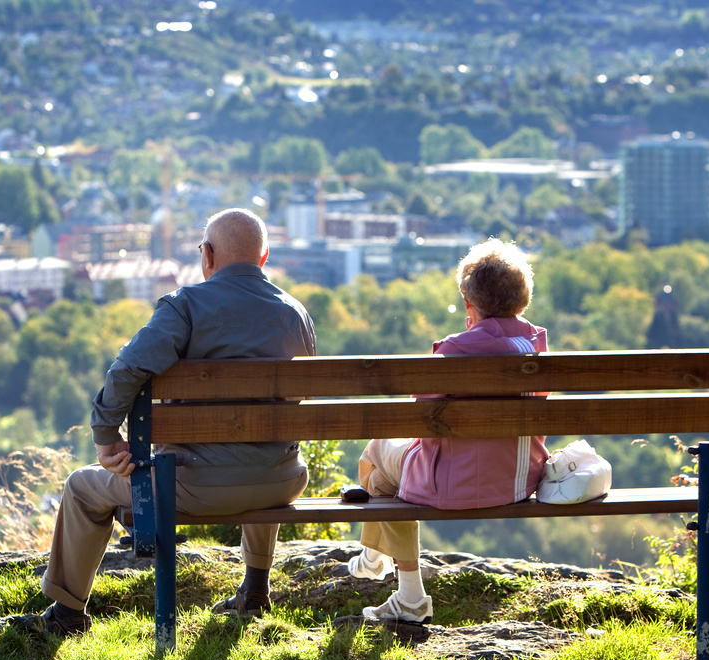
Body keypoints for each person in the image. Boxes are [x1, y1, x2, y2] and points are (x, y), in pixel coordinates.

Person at [34, 208, 316, 635]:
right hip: (280, 483)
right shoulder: (295, 312)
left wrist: (107, 435)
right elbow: (303, 395)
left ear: (207, 255)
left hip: (193, 488)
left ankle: (67, 614)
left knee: (80, 486)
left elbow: (128, 370)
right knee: (262, 450)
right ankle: (255, 589)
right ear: (264, 258)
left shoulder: (185, 307)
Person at [346, 238, 549, 624]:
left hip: (450, 485)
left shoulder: (456, 351)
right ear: (523, 298)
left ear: (468, 302)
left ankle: (401, 587)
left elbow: (418, 415)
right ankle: (373, 557)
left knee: (377, 453)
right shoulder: (536, 347)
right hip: (521, 481)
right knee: (393, 458)